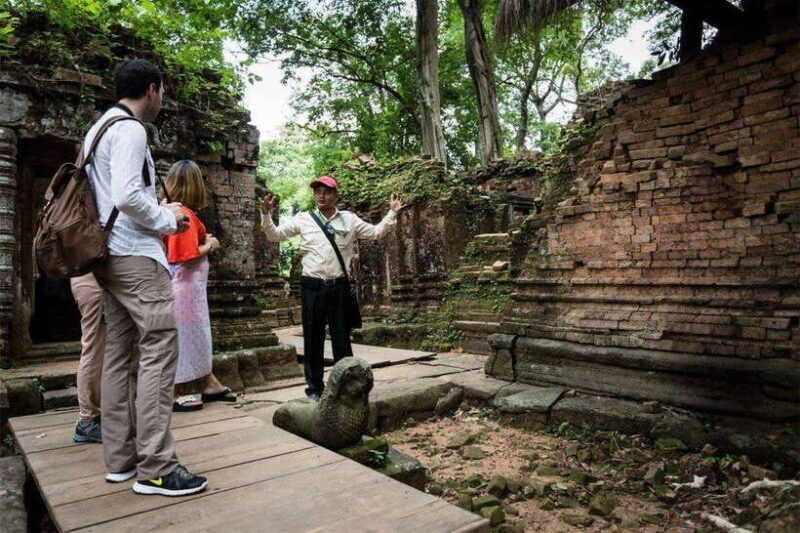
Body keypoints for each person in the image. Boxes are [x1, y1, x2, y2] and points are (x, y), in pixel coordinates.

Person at [85, 58, 207, 496]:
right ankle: (156, 466)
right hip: (135, 255)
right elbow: (127, 195)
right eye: (163, 92)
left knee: (119, 353)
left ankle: (120, 459)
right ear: (152, 90)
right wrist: (168, 218)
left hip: (106, 257)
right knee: (159, 347)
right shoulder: (132, 129)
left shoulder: (97, 130)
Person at [260, 176, 404, 400]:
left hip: (338, 286)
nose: (321, 195)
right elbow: (274, 236)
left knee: (341, 339)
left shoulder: (349, 220)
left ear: (336, 195)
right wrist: (266, 214)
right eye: (317, 191)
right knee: (313, 338)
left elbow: (376, 233)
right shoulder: (303, 219)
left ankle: (346, 386)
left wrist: (392, 212)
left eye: (326, 191)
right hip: (312, 286)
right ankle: (315, 389)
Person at [162, 160, 235, 411]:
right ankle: (175, 390)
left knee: (198, 335)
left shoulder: (181, 212)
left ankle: (208, 381)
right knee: (184, 337)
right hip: (184, 287)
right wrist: (210, 245)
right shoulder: (179, 213)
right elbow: (184, 254)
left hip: (191, 288)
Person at [70, 272, 105, 443]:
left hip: (98, 279)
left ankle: (95, 416)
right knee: (94, 349)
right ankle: (87, 419)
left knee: (103, 348)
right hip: (92, 279)